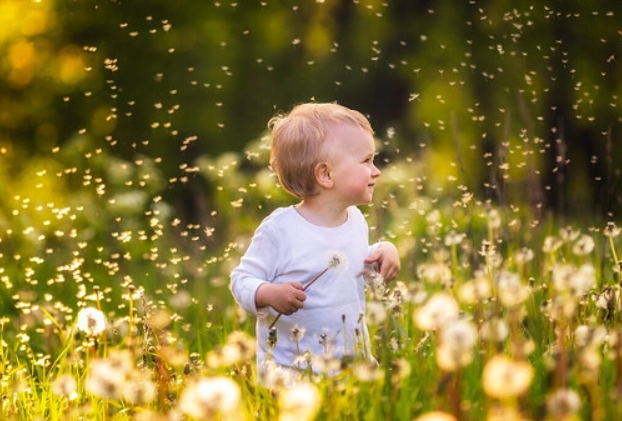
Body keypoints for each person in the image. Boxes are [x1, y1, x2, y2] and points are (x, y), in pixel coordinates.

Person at [230, 102, 400, 379]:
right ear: (326, 175)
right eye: (366, 161)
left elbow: (346, 268)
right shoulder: (280, 230)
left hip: (350, 368)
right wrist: (269, 293)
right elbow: (241, 280)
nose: (376, 170)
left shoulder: (355, 219)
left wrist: (383, 252)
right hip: (290, 375)